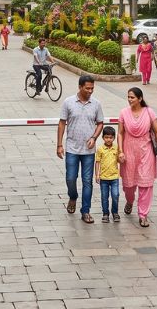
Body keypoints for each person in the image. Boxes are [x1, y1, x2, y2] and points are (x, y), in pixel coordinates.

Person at [57, 75, 104, 224]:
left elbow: (100, 123)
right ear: (80, 87)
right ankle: (72, 196)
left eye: (92, 88)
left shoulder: (96, 104)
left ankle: (86, 211)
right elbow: (62, 123)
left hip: (89, 151)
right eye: (87, 88)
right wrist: (59, 145)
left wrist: (94, 138)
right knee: (70, 178)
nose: (90, 91)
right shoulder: (68, 102)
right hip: (71, 147)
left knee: (87, 181)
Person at [118, 86, 157, 227]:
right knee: (129, 186)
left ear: (140, 99)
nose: (129, 99)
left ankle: (143, 214)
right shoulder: (123, 113)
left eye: (132, 97)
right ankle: (130, 201)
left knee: (146, 184)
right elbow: (120, 133)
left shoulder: (149, 112)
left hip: (146, 152)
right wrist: (120, 151)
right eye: (128, 97)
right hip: (129, 152)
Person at [95, 125, 120, 223]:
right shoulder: (100, 149)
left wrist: (121, 158)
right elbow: (97, 162)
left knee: (115, 195)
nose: (108, 139)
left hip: (114, 177)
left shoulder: (116, 148)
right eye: (106, 137)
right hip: (103, 178)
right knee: (104, 197)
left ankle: (115, 212)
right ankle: (105, 213)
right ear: (103, 138)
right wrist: (97, 175)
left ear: (114, 138)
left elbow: (119, 160)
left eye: (111, 137)